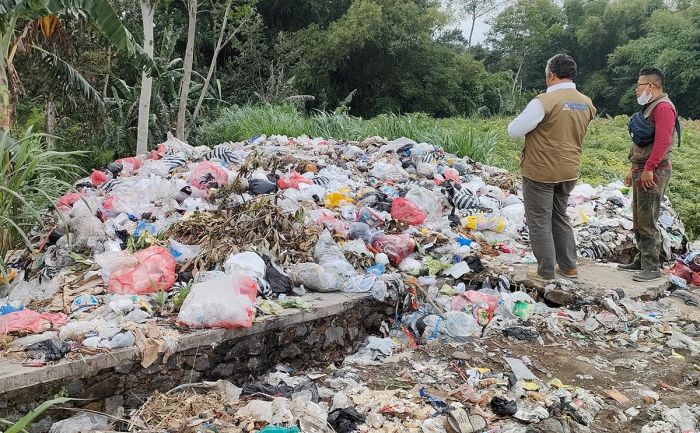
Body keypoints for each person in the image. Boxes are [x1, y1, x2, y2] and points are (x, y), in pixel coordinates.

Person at [507, 54, 596, 283]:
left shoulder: (543, 101)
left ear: (551, 75)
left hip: (541, 171)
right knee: (559, 216)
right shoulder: (585, 102)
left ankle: (545, 271)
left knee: (539, 220)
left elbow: (515, 131)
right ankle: (568, 267)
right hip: (569, 170)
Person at [619, 67, 677, 281]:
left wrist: (650, 169)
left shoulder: (663, 108)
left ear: (650, 86)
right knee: (638, 217)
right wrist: (633, 169)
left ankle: (652, 267)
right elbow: (644, 144)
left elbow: (663, 142)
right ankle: (642, 259)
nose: (636, 90)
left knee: (647, 219)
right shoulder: (651, 107)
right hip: (642, 169)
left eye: (639, 85)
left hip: (654, 171)